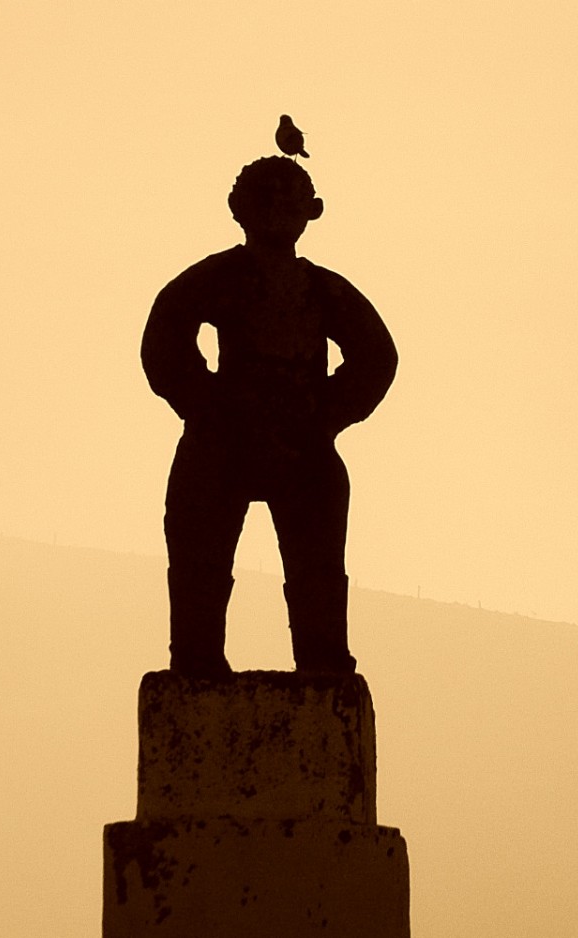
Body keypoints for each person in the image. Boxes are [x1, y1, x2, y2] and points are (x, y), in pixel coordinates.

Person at [141, 156, 397, 677]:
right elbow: (164, 342)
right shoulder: (219, 279)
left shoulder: (323, 291)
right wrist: (212, 409)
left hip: (300, 446)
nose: (278, 211)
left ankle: (321, 659)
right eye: (266, 199)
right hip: (223, 443)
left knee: (317, 572)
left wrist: (320, 415)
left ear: (312, 211)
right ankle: (196, 657)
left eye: (290, 200)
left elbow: (376, 357)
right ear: (239, 208)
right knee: (199, 567)